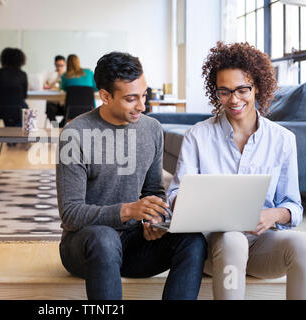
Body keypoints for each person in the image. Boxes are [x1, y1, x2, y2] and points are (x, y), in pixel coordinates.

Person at [56, 51, 207, 300]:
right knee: (104, 238)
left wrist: (153, 220)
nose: (142, 106)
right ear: (105, 96)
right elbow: (71, 214)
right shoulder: (75, 134)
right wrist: (129, 211)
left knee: (193, 239)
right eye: (131, 98)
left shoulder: (152, 129)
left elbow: (153, 192)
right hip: (85, 246)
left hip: (134, 245)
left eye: (144, 95)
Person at [167, 42, 306, 300]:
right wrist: (188, 203)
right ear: (215, 91)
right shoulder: (197, 136)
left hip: (263, 246)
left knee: (303, 245)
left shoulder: (283, 140)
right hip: (215, 249)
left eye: (242, 89)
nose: (233, 99)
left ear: (258, 88)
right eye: (225, 91)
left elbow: (294, 207)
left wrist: (274, 214)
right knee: (233, 240)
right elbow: (174, 194)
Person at [0, 47, 28, 128]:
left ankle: (11, 137)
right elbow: (24, 95)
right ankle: (26, 136)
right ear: (21, 60)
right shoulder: (22, 74)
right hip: (18, 109)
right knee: (26, 109)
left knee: (8, 109)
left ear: (3, 59)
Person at [58, 54, 98, 127]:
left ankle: (57, 128)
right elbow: (96, 88)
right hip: (89, 109)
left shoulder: (65, 75)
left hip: (71, 111)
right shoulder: (89, 72)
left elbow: (62, 89)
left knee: (50, 108)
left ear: (67, 63)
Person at [45, 55, 66, 126]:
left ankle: (60, 127)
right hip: (53, 102)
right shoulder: (50, 75)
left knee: (71, 110)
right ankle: (56, 127)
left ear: (65, 65)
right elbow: (46, 86)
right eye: (58, 65)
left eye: (61, 65)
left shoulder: (67, 76)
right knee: (49, 110)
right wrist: (57, 78)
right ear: (55, 65)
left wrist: (62, 76)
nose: (59, 67)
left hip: (64, 102)